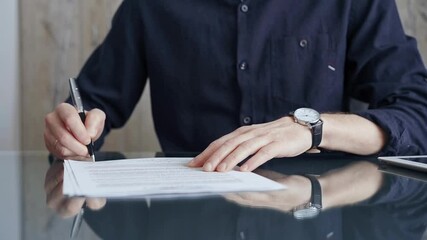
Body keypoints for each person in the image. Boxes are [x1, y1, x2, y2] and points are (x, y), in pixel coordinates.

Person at [44, 0, 427, 216]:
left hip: (319, 211)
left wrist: (312, 128)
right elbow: (92, 107)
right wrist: (71, 132)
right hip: (187, 223)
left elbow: (417, 113)